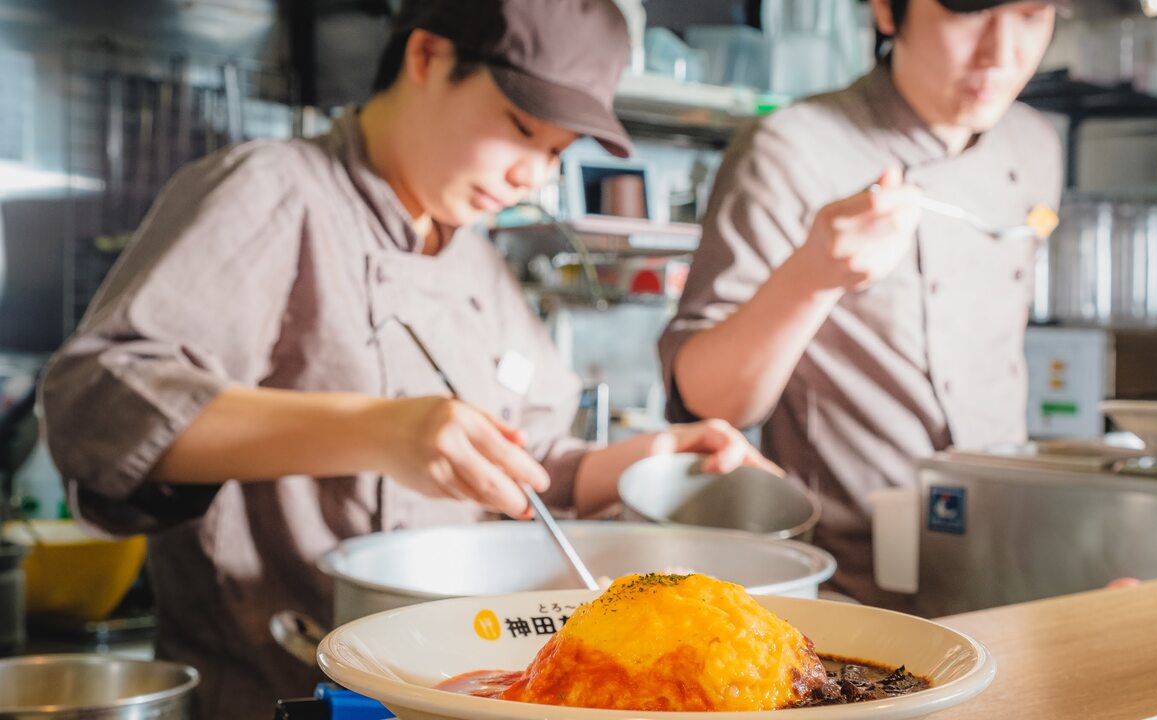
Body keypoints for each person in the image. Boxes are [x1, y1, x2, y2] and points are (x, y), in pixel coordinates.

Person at [39, 1, 775, 716]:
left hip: (454, 692)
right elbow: (98, 402)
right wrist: (383, 430)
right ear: (428, 54)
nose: (533, 175)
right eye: (521, 129)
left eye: (554, 153)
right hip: (279, 690)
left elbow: (523, 465)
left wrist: (644, 458)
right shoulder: (273, 190)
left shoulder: (475, 260)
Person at [659, 0, 1065, 611]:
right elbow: (708, 400)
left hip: (1009, 574)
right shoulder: (790, 150)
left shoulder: (1034, 145)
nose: (1003, 53)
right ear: (885, 10)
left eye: (1033, 15)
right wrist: (812, 277)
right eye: (968, 13)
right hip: (843, 592)